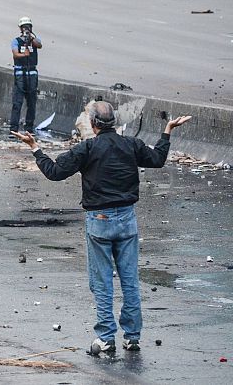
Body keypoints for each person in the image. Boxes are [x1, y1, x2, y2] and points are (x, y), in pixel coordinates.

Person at [12, 102, 192, 355]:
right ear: (114, 123)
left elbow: (54, 172)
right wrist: (167, 131)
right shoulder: (131, 144)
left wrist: (35, 147)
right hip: (127, 219)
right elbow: (158, 159)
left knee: (102, 283)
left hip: (99, 220)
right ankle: (132, 336)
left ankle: (106, 337)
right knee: (130, 281)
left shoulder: (87, 148)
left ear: (93, 124)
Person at [9, 17, 42, 136]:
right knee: (17, 103)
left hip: (32, 73)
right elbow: (15, 54)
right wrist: (24, 54)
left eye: (28, 26)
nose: (26, 29)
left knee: (32, 102)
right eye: (24, 27)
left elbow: (39, 45)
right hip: (20, 74)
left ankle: (29, 128)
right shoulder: (16, 41)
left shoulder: (34, 40)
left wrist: (31, 38)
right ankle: (13, 129)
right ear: (20, 28)